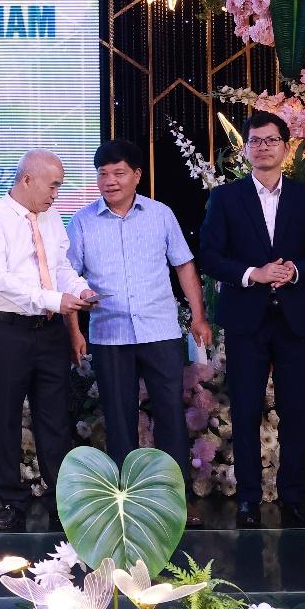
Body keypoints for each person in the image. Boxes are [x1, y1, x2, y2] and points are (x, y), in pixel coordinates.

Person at [66, 139, 211, 528]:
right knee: (118, 421)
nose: (110, 181)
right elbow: (69, 279)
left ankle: (174, 503)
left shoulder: (160, 215)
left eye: (118, 173)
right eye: (102, 174)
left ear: (137, 175)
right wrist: (75, 331)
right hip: (109, 334)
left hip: (159, 330)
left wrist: (198, 317)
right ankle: (126, 505)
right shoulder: (81, 221)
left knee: (170, 417)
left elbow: (184, 266)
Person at [198, 111, 305, 528]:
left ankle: (294, 499)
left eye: (271, 140)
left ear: (285, 147)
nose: (263, 147)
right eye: (255, 141)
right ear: (245, 149)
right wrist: (252, 274)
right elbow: (210, 256)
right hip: (247, 319)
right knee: (245, 410)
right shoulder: (226, 198)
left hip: (296, 319)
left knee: (294, 411)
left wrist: (295, 270)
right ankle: (248, 500)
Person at [0, 149, 96, 532]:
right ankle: (12, 501)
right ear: (27, 179)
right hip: (4, 330)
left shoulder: (52, 217)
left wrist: (80, 288)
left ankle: (62, 500)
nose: (56, 194)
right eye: (53, 186)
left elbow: (59, 267)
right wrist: (54, 300)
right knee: (6, 417)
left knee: (54, 417)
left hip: (49, 330)